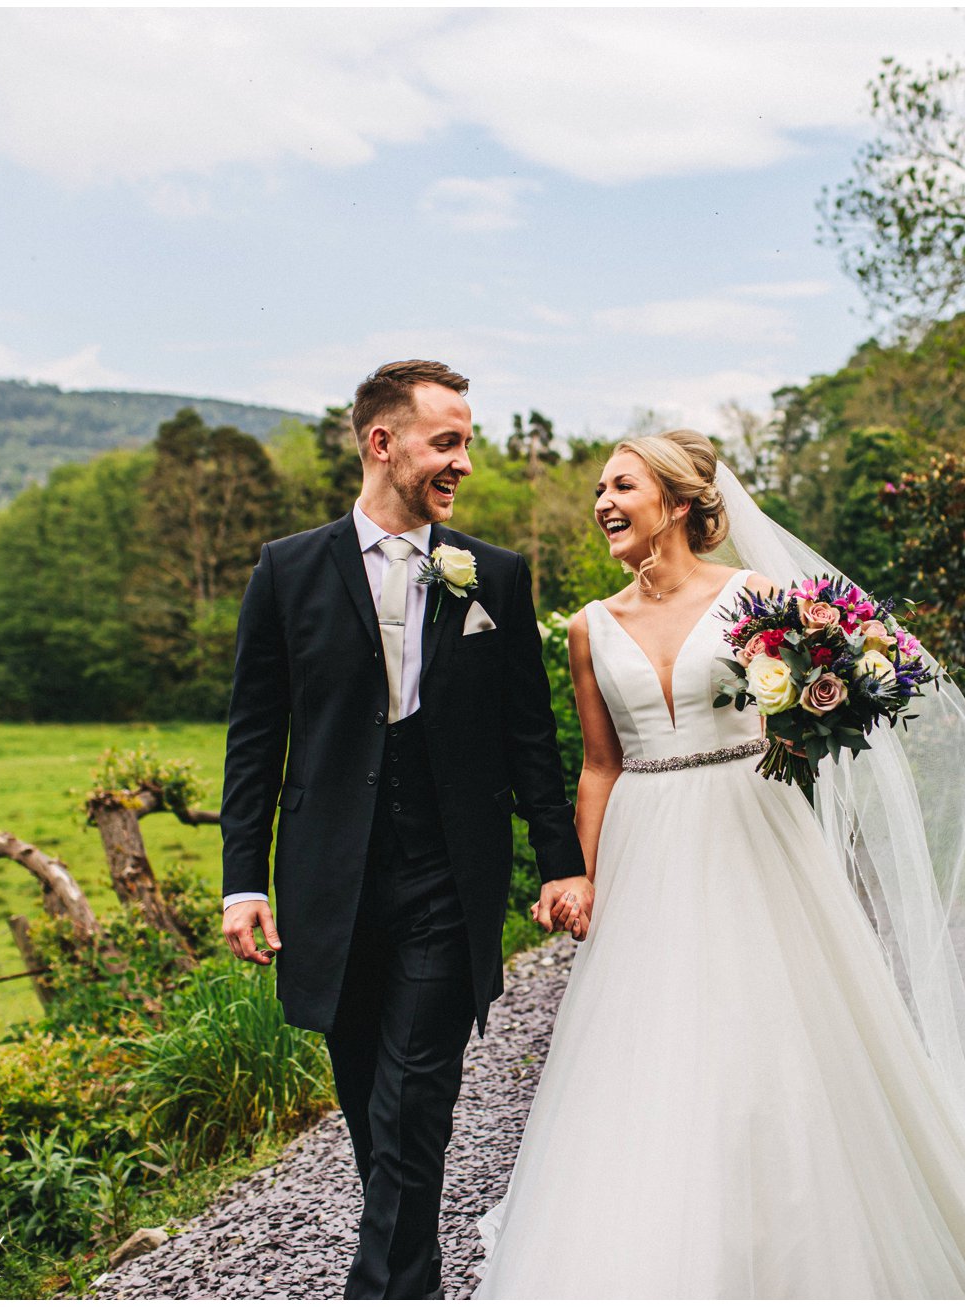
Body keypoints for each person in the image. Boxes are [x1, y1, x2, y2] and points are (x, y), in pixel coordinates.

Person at [471, 429, 965, 1298]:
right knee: (650, 1037)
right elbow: (600, 764)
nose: (602, 501)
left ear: (675, 502)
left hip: (753, 822)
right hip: (647, 836)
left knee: (773, 1020)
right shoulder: (590, 628)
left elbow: (828, 708)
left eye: (621, 485)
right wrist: (583, 872)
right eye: (598, 486)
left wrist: (814, 717)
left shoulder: (759, 597)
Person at [218, 359, 591, 1300]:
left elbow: (527, 739)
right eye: (446, 441)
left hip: (444, 878)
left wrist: (560, 862)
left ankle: (375, 1290)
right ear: (382, 443)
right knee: (367, 1105)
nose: (463, 461)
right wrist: (243, 880)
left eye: (466, 441)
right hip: (328, 881)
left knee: (416, 1095)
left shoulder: (492, 575)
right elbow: (255, 739)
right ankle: (410, 1281)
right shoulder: (288, 570)